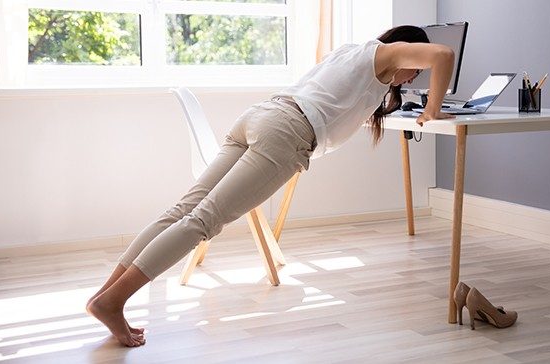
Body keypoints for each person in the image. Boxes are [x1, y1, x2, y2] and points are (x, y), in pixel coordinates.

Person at [86, 24, 455, 347]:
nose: (412, 80)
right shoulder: (388, 53)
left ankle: (105, 296)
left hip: (261, 116)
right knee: (202, 221)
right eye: (414, 73)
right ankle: (113, 302)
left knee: (183, 211)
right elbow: (443, 54)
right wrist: (433, 109)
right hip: (286, 132)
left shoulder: (352, 53)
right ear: (407, 48)